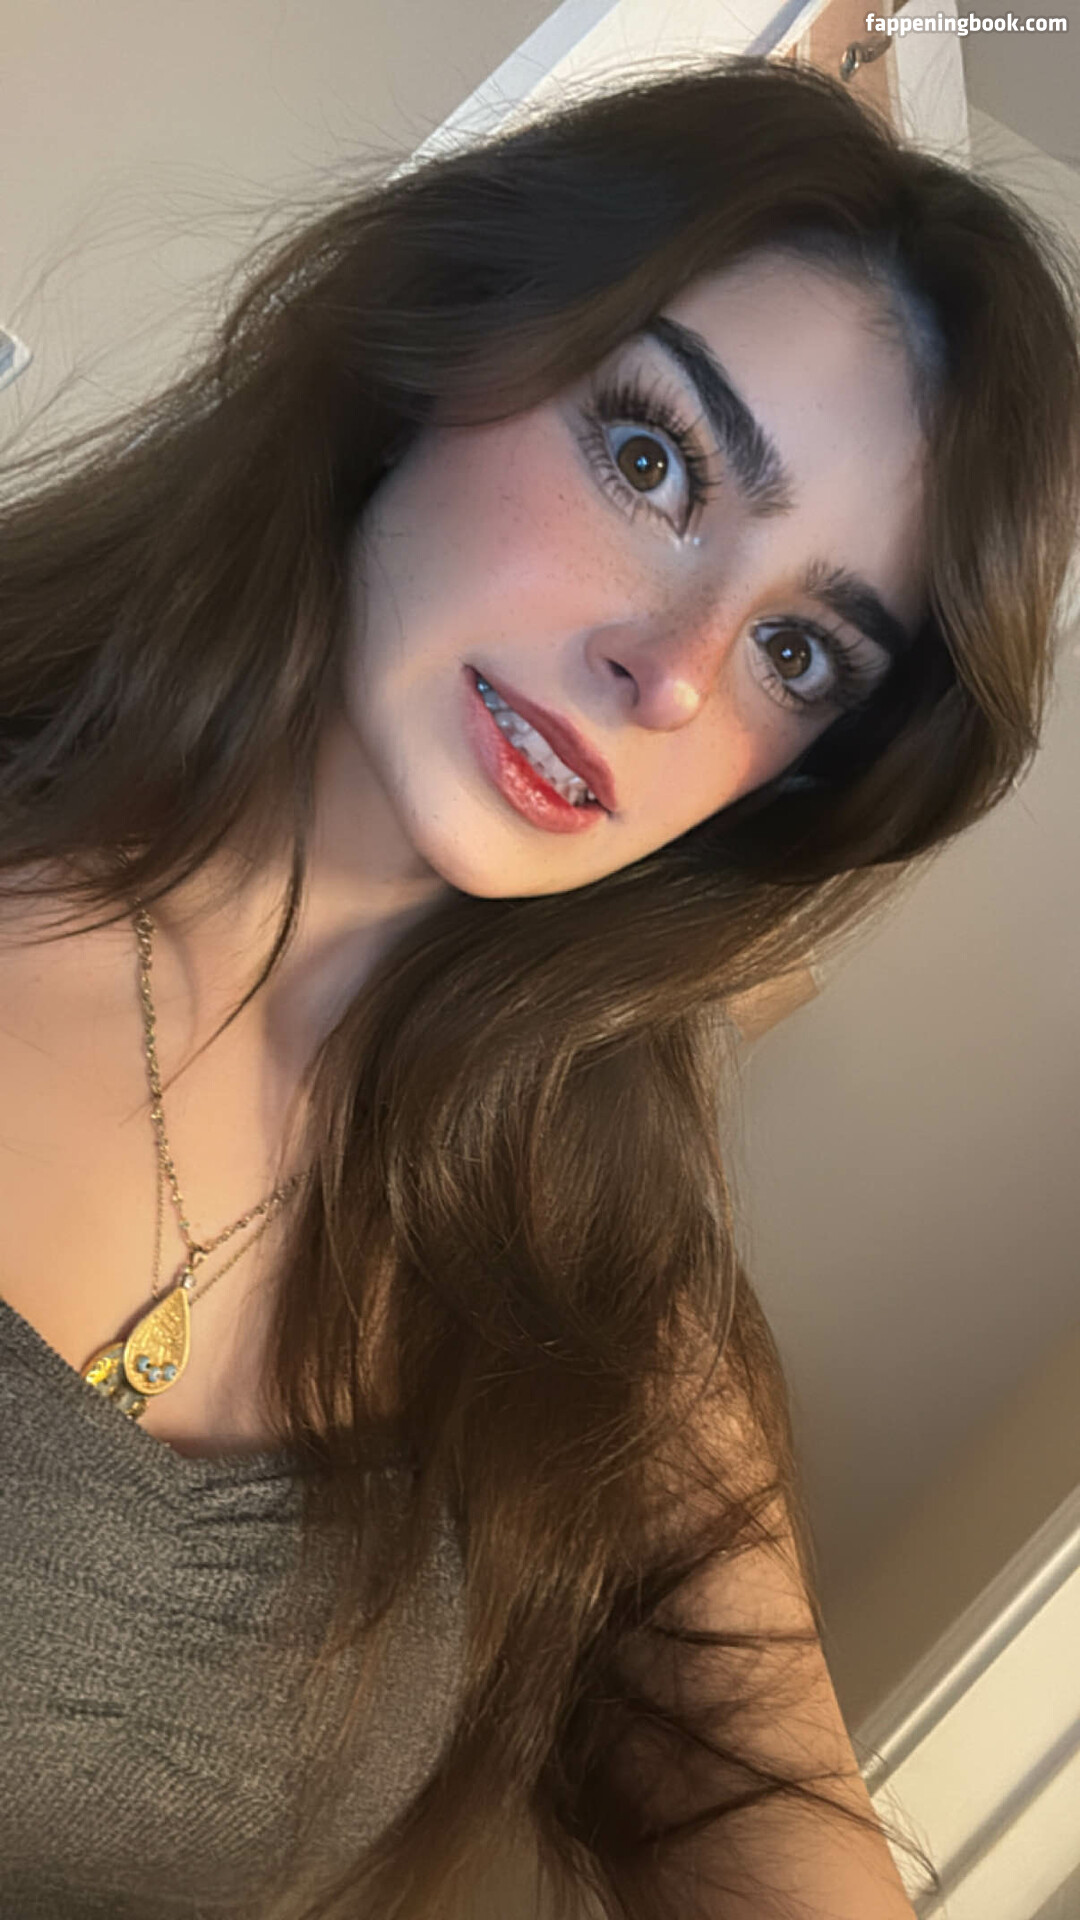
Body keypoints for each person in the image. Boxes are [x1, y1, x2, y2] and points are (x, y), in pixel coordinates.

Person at [0, 51, 1077, 1920]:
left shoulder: (599, 1260)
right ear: (446, 337)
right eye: (654, 462)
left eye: (803, 652)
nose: (677, 671)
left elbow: (780, 1830)